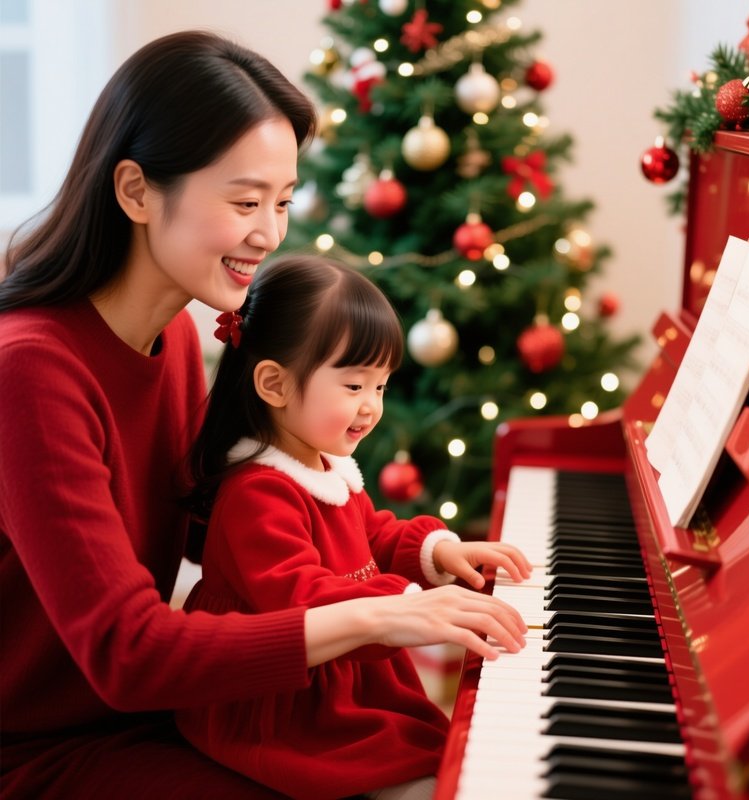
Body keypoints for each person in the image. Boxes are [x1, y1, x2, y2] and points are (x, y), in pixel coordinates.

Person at [0, 30, 528, 800]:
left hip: (160, 712)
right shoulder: (31, 369)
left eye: (281, 202)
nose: (270, 234)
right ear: (137, 191)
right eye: (245, 202)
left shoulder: (175, 339)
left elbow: (240, 521)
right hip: (46, 747)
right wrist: (384, 616)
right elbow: (128, 653)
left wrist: (415, 554)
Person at [175, 255, 532, 800]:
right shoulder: (257, 492)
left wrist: (440, 552)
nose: (371, 408)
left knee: (448, 757)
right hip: (288, 704)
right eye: (354, 386)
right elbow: (301, 597)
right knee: (431, 778)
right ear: (274, 384)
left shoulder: (325, 464)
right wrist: (406, 604)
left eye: (380, 387)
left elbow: (372, 535)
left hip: (347, 675)